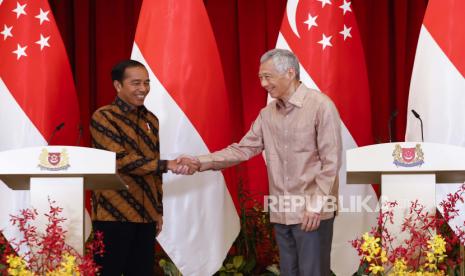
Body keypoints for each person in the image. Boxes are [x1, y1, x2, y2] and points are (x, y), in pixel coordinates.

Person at [179, 49, 342, 275]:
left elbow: (331, 162)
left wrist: (316, 206)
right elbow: (243, 149)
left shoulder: (321, 106)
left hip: (312, 214)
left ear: (290, 73)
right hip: (282, 212)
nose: (263, 83)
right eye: (260, 78)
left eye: (268, 76)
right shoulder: (267, 114)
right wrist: (199, 161)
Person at [90, 60, 187, 276]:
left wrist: (158, 211)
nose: (143, 89)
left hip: (146, 215)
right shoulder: (103, 117)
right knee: (108, 272)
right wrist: (166, 165)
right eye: (135, 83)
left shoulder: (151, 119)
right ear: (117, 85)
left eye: (146, 82)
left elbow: (154, 172)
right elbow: (120, 160)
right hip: (113, 215)